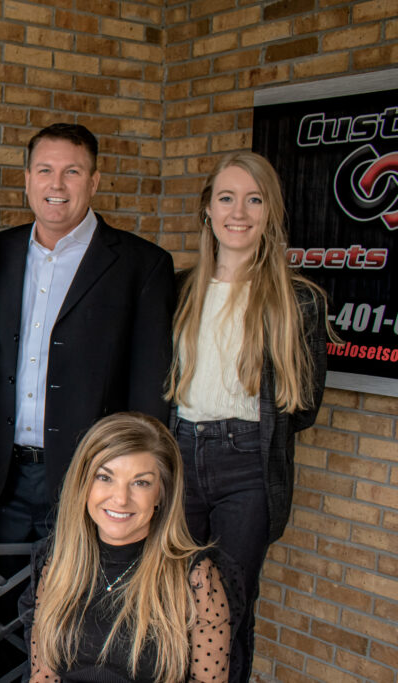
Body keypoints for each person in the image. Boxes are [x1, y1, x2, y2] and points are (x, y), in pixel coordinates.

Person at [166, 151, 328, 683]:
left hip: (247, 469)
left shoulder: (296, 300)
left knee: (227, 608)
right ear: (207, 210)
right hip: (181, 455)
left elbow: (301, 408)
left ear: (270, 212)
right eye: (227, 197)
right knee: (171, 600)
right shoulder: (180, 289)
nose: (239, 211)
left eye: (254, 199)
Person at [0, 122, 176, 545]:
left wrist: (135, 478)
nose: (57, 184)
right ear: (27, 179)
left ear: (94, 180)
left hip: (92, 481)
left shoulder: (142, 265)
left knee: (76, 604)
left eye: (73, 172)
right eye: (45, 170)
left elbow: (149, 387)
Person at [21, 412, 240, 683]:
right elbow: (44, 676)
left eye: (140, 483)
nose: (121, 498)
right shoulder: (59, 563)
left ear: (162, 492)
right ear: (84, 484)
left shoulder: (195, 577)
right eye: (105, 477)